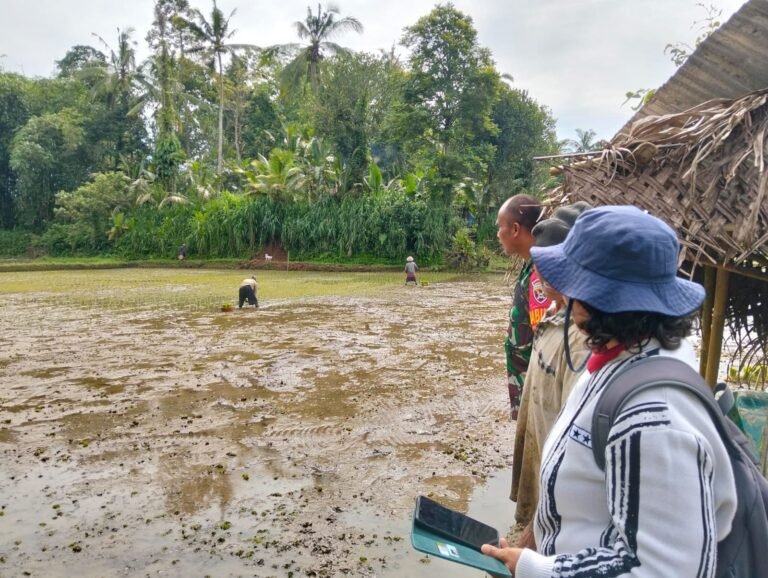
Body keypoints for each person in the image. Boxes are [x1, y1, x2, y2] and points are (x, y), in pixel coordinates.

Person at [482, 206, 737, 578]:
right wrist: (531, 543)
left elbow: (664, 570)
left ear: (599, 300)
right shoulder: (620, 358)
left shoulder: (655, 419)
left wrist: (537, 569)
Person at [509, 203, 591, 528]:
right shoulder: (554, 315)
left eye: (544, 263)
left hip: (559, 495)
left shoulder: (584, 337)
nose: (537, 272)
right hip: (539, 456)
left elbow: (577, 445)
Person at [496, 194, 551, 419]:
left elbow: (544, 340)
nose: (498, 234)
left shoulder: (539, 273)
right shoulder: (531, 266)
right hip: (528, 386)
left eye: (500, 227)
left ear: (516, 229)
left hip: (538, 390)